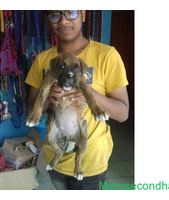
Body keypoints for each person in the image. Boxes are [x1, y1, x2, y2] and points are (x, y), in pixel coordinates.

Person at [25, 10, 129, 190]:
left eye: (70, 12)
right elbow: (30, 111)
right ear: (49, 20)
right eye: (55, 15)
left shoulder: (107, 55)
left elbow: (122, 114)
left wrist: (87, 91)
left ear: (83, 14)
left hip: (91, 162)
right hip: (54, 155)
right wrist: (49, 97)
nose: (63, 21)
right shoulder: (42, 60)